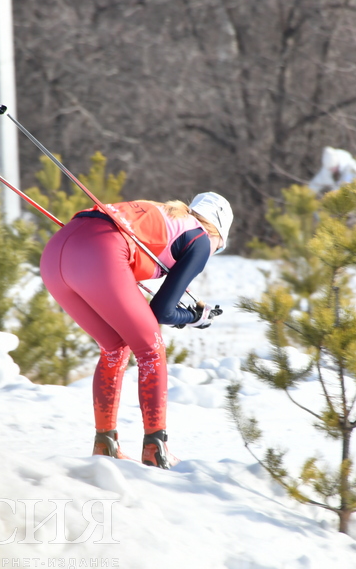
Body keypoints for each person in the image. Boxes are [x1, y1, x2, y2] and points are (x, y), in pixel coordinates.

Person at [39, 192, 233, 469]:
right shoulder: (201, 238)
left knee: (115, 346)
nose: (213, 253)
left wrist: (186, 315)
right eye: (220, 248)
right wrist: (191, 317)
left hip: (55, 256)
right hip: (100, 251)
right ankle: (156, 449)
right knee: (151, 349)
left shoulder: (168, 214)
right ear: (217, 231)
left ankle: (105, 444)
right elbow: (162, 311)